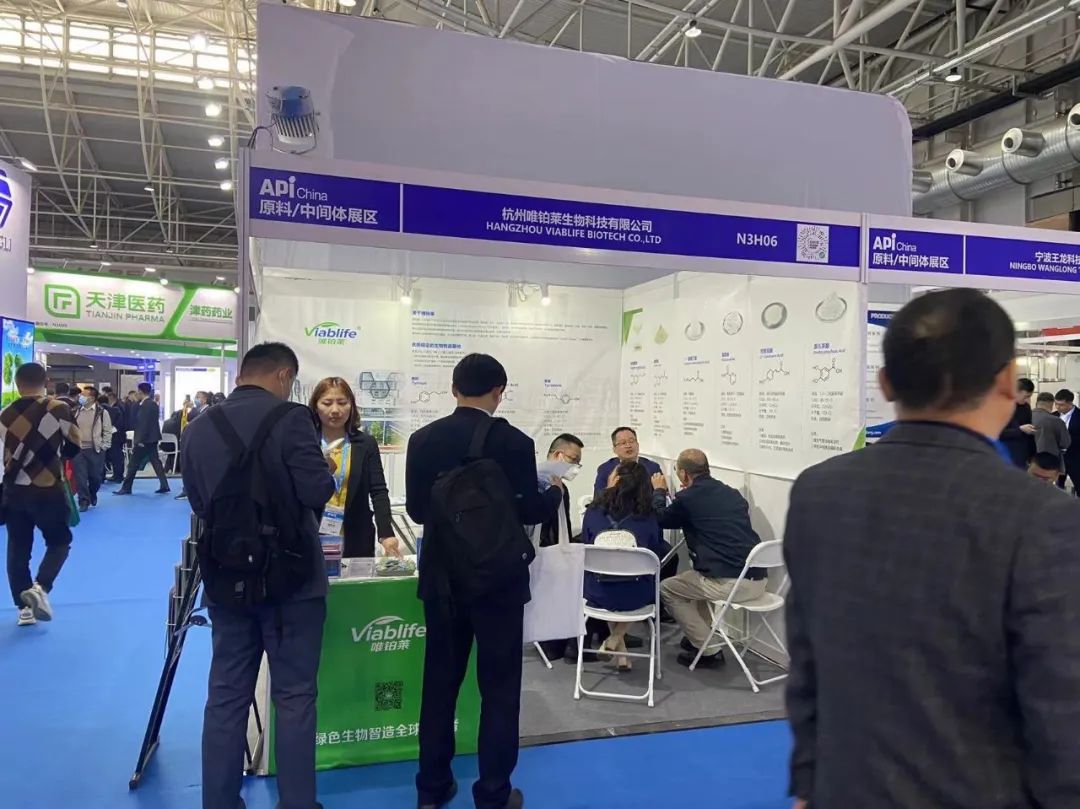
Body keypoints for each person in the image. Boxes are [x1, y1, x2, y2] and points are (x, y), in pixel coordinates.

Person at [783, 288, 1080, 809]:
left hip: (844, 788)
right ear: (1007, 382)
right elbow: (1063, 713)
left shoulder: (818, 491)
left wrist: (808, 783)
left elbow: (807, 661)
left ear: (885, 383)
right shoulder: (1042, 517)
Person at [181, 342, 335, 809]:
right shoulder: (292, 420)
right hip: (293, 582)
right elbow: (316, 491)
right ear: (284, 375)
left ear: (241, 375)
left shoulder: (199, 426)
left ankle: (220, 802)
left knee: (226, 696)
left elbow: (198, 501)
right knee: (294, 697)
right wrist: (326, 469)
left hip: (226, 578)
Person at [406, 353, 563, 809]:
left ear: (454, 389)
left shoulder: (422, 439)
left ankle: (431, 789)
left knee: (440, 686)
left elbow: (417, 510)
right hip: (498, 581)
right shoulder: (514, 442)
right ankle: (493, 793)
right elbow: (529, 510)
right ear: (499, 391)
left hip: (442, 580)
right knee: (499, 690)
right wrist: (554, 494)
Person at [652, 449, 764, 669]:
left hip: (729, 584)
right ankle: (699, 636)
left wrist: (659, 492)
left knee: (667, 589)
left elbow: (661, 518)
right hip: (758, 579)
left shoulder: (687, 499)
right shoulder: (732, 494)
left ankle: (709, 650)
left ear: (683, 474)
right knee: (694, 578)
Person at [0, 363, 81, 626]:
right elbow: (74, 445)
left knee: (17, 549)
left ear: (17, 384)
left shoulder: (5, 414)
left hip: (14, 490)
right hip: (47, 489)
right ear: (46, 382)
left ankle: (24, 609)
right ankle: (40, 587)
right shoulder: (58, 408)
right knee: (59, 541)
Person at [581, 460, 670, 670]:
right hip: (637, 595)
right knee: (631, 581)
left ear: (615, 480)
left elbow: (586, 544)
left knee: (610, 578)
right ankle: (616, 642)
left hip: (597, 593)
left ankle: (620, 652)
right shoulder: (648, 516)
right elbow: (654, 554)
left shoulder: (593, 511)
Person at [309, 377, 399, 558]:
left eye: (342, 403)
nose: (335, 410)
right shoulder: (305, 443)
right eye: (327, 403)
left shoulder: (365, 443)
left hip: (357, 536)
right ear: (315, 407)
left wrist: (386, 533)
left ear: (352, 406)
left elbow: (378, 491)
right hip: (312, 534)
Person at [115, 382, 170, 495]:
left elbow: (143, 424)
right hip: (151, 438)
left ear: (140, 391)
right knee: (156, 462)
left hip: (144, 439)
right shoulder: (152, 404)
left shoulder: (146, 405)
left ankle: (126, 487)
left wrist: (139, 440)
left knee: (133, 464)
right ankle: (164, 485)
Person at [71, 386, 112, 511]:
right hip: (78, 450)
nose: (80, 397)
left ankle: (92, 493)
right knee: (80, 478)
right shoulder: (75, 411)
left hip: (95, 449)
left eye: (84, 395)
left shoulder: (102, 413)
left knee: (96, 478)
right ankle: (83, 501)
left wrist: (104, 445)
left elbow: (107, 430)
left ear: (92, 398)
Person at [593, 427, 661, 497]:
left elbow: (661, 494)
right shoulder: (605, 469)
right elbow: (597, 498)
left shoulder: (652, 468)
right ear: (614, 449)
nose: (628, 446)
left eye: (631, 441)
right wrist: (610, 489)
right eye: (623, 443)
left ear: (638, 445)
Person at [999, 377, 1036, 468]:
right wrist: (1020, 429)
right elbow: (997, 433)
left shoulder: (1026, 407)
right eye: (1026, 397)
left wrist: (1033, 455)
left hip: (1022, 455)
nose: (1027, 400)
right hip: (1004, 454)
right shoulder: (1001, 407)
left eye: (1029, 397)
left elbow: (1029, 434)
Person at [1032, 391, 1070, 470]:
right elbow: (1065, 443)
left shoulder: (1024, 418)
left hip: (1026, 462)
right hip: (1049, 464)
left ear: (1037, 403)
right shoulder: (1057, 421)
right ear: (1051, 404)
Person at [1055, 388, 1080, 493]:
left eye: (1061, 405)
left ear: (1070, 403)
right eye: (1056, 404)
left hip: (1076, 458)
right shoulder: (1054, 416)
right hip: (1058, 458)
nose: (1058, 407)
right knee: (1057, 488)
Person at [103, 389, 127, 483]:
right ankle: (117, 475)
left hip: (116, 436)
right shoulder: (118, 406)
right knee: (117, 457)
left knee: (116, 457)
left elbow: (118, 424)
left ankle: (118, 476)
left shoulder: (117, 408)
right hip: (118, 436)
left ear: (110, 398)